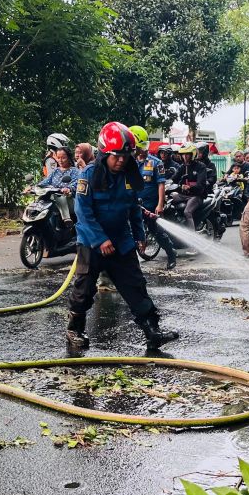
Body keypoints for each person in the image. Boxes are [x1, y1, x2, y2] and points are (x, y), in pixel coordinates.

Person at [66, 122, 179, 350]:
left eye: (125, 156)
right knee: (84, 289)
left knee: (135, 285)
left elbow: (133, 207)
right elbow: (83, 213)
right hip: (92, 242)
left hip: (121, 239)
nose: (121, 161)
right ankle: (75, 329)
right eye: (116, 156)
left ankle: (152, 332)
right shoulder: (89, 175)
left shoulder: (129, 174)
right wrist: (100, 240)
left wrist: (139, 235)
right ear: (104, 153)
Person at [131, 125, 176, 270]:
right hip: (134, 204)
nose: (141, 150)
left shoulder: (156, 163)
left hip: (150, 205)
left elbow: (161, 184)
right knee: (130, 233)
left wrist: (160, 204)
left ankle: (171, 253)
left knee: (157, 232)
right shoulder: (130, 163)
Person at [172, 143, 213, 230]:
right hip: (183, 195)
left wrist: (189, 187)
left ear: (192, 154)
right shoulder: (182, 167)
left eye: (187, 154)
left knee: (187, 212)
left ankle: (191, 236)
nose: (185, 156)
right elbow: (174, 179)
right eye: (183, 154)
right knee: (169, 201)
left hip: (196, 195)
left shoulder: (201, 166)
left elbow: (201, 185)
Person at [38, 147, 80, 225]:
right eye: (58, 158)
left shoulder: (75, 171)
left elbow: (75, 184)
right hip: (55, 202)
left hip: (69, 200)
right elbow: (45, 182)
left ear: (69, 158)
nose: (60, 160)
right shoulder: (55, 171)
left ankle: (66, 218)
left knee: (59, 196)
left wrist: (68, 189)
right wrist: (32, 188)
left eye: (63, 158)